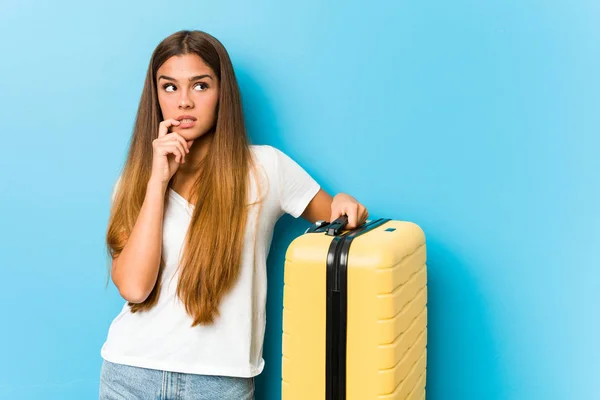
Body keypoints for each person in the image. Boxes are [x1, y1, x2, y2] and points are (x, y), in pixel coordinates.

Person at [99, 29, 369, 400]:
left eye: (200, 86)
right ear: (156, 95)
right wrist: (156, 183)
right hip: (129, 376)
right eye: (170, 87)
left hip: (219, 383)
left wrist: (344, 202)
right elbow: (134, 287)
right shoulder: (134, 183)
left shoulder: (266, 169)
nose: (184, 103)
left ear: (222, 91)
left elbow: (340, 216)